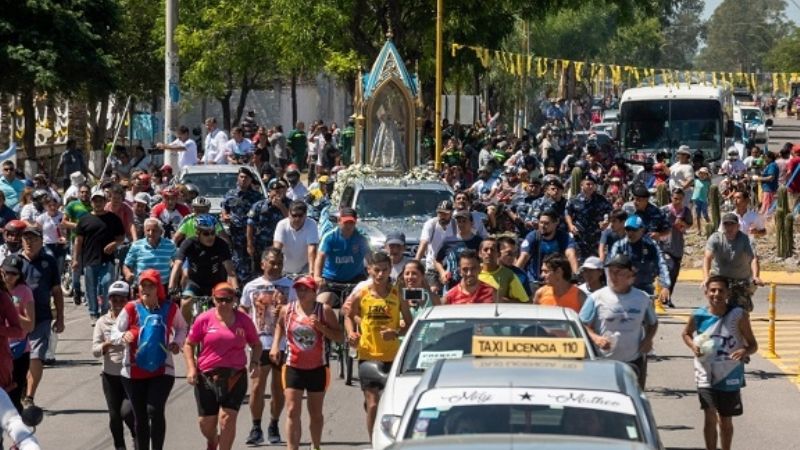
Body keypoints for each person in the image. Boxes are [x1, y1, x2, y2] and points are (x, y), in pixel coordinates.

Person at [112, 269, 187, 450]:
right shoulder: (130, 308)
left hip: (162, 369)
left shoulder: (170, 308)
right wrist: (124, 336)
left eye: (150, 285)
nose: (146, 289)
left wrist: (177, 342)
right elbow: (114, 332)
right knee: (140, 416)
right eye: (143, 285)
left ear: (158, 288)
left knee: (154, 410)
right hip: (133, 371)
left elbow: (182, 328)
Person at [681, 276, 758, 450]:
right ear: (706, 292)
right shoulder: (698, 315)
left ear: (728, 293)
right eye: (713, 290)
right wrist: (693, 345)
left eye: (721, 290)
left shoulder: (738, 315)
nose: (717, 294)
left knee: (725, 419)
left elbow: (753, 345)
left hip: (729, 373)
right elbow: (685, 333)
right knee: (709, 415)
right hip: (704, 372)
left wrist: (745, 351)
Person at [184, 282, 261, 450]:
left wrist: (255, 363)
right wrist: (191, 368)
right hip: (207, 375)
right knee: (206, 423)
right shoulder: (204, 319)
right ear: (213, 299)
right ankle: (212, 441)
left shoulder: (243, 320)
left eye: (228, 299)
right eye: (220, 300)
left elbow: (256, 344)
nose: (224, 303)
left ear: (234, 299)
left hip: (235, 375)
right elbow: (189, 344)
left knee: (227, 419)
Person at [345, 252, 412, 440]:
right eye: (376, 270)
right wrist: (351, 333)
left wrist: (396, 333)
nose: (381, 275)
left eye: (384, 270)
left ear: (390, 269)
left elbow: (409, 323)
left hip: (392, 356)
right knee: (373, 403)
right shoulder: (362, 294)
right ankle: (374, 442)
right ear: (369, 270)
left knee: (387, 402)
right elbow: (349, 316)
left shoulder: (397, 295)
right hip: (368, 354)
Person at [271, 276, 341, 450]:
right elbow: (280, 325)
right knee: (293, 410)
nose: (301, 293)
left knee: (315, 413)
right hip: (293, 366)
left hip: (317, 367)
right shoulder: (287, 309)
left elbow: (340, 337)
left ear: (314, 292)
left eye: (306, 290)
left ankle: (315, 446)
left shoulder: (323, 310)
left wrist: (321, 328)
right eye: (299, 289)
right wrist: (275, 346)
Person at [239, 248, 295, 445]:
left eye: (279, 262)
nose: (276, 266)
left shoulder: (291, 286)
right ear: (263, 264)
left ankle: (273, 424)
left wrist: (286, 309)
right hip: (259, 343)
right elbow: (243, 310)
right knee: (256, 387)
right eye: (272, 262)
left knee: (278, 388)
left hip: (282, 343)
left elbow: (298, 312)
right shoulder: (251, 286)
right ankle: (256, 427)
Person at [580, 255, 658, 388]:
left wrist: (648, 340)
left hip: (633, 360)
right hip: (603, 361)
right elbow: (581, 323)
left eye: (618, 273)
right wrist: (595, 338)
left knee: (632, 400)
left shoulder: (642, 298)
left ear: (630, 275)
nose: (613, 277)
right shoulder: (597, 297)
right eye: (610, 272)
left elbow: (653, 323)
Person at [20, 224, 64, 407]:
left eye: (34, 239)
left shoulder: (49, 262)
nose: (30, 242)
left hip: (42, 317)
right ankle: (20, 390)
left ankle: (29, 396)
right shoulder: (13, 262)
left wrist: (60, 317)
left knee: (36, 356)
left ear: (41, 241)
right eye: (26, 239)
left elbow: (57, 291)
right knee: (19, 359)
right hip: (17, 320)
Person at [170, 214, 238, 324]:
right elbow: (177, 265)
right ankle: (185, 331)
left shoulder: (221, 244)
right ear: (198, 233)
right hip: (195, 282)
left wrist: (236, 289)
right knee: (185, 302)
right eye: (206, 234)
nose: (210, 237)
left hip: (217, 283)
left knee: (229, 305)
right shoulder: (189, 243)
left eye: (212, 233)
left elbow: (231, 271)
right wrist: (171, 287)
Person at [91, 280, 136, 450]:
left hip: (131, 375)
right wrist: (107, 344)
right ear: (108, 300)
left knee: (128, 412)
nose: (117, 303)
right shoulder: (102, 322)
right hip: (110, 376)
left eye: (121, 299)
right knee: (115, 416)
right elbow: (95, 350)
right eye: (114, 299)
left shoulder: (136, 319)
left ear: (129, 300)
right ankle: (120, 446)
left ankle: (137, 435)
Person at [73, 188, 125, 324]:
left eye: (100, 200)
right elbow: (78, 241)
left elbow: (121, 237)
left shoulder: (113, 218)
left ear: (105, 201)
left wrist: (114, 244)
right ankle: (93, 313)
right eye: (95, 200)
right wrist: (75, 259)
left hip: (108, 260)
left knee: (107, 285)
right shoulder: (84, 219)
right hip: (89, 260)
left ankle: (105, 311)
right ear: (91, 202)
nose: (98, 203)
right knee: (91, 288)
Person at [704, 213, 762, 312]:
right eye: (726, 224)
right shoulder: (716, 238)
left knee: (741, 310)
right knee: (717, 301)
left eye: (732, 224)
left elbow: (753, 259)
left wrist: (756, 276)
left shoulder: (745, 239)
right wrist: (706, 277)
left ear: (738, 226)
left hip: (739, 279)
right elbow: (707, 257)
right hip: (720, 277)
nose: (729, 227)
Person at [607, 215, 671, 304]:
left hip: (645, 290)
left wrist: (665, 286)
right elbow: (611, 269)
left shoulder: (651, 245)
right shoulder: (619, 246)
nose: (630, 233)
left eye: (634, 230)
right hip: (624, 289)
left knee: (649, 317)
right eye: (627, 229)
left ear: (642, 230)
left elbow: (661, 264)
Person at [315, 207, 369, 308]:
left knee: (364, 303)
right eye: (345, 222)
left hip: (355, 280)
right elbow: (320, 257)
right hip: (331, 280)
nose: (348, 226)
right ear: (339, 221)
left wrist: (372, 277)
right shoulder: (330, 237)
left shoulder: (361, 238)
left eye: (351, 223)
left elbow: (370, 259)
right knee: (321, 304)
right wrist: (317, 277)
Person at [515, 209, 578, 291]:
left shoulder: (564, 237)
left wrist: (575, 277)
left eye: (547, 223)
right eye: (541, 222)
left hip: (557, 282)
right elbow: (524, 256)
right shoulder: (533, 236)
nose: (542, 226)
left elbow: (571, 255)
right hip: (535, 282)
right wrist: (512, 275)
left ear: (556, 223)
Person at [221, 168, 264, 283]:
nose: (244, 180)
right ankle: (237, 287)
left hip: (253, 236)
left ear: (251, 180)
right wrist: (225, 216)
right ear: (238, 178)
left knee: (253, 263)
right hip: (236, 235)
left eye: (246, 178)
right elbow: (225, 209)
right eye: (241, 177)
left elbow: (262, 214)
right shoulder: (230, 194)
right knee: (237, 262)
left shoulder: (257, 197)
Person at [3, 255, 34, 412]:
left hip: (18, 351)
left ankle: (20, 434)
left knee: (13, 400)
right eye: (6, 272)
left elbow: (30, 324)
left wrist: (13, 310)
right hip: (2, 351)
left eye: (13, 274)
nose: (9, 277)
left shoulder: (24, 291)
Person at [247, 181, 290, 280]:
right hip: (261, 246)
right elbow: (250, 224)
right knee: (259, 272)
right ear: (269, 192)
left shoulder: (290, 204)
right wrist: (250, 244)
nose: (277, 193)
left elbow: (293, 221)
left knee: (279, 272)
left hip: (282, 247)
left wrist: (282, 207)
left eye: (280, 190)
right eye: (274, 191)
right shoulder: (259, 205)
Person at [565, 173, 612, 259]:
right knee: (580, 261)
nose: (590, 186)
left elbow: (610, 212)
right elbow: (568, 213)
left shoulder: (601, 200)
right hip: (579, 237)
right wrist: (570, 225)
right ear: (582, 185)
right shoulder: (574, 200)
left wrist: (606, 221)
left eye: (592, 184)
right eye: (588, 184)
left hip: (596, 237)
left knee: (596, 262)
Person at [415, 200, 457, 289]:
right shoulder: (431, 224)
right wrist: (415, 263)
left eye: (445, 214)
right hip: (432, 266)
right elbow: (424, 243)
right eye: (440, 213)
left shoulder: (455, 225)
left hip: (450, 266)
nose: (442, 216)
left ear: (451, 213)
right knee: (433, 291)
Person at [662, 188, 692, 306]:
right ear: (671, 198)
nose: (677, 201)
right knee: (667, 269)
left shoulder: (685, 212)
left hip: (677, 245)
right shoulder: (664, 210)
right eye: (675, 198)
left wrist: (682, 223)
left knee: (674, 273)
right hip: (664, 245)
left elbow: (689, 225)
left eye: (680, 199)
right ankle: (662, 297)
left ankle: (668, 297)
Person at [123, 219, 176, 286]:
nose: (151, 233)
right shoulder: (137, 245)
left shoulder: (170, 245)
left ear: (161, 232)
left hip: (163, 286)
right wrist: (128, 274)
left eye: (154, 231)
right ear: (144, 232)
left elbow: (177, 262)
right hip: (142, 286)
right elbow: (126, 265)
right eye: (148, 230)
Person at [272, 201, 318, 275]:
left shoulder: (312, 224)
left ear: (306, 215)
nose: (297, 219)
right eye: (294, 215)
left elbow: (312, 249)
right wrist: (274, 268)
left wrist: (312, 271)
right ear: (289, 214)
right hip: (283, 269)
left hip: (304, 269)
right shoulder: (282, 225)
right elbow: (277, 248)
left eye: (300, 215)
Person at [478, 238, 528, 303]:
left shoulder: (509, 275)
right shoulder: (472, 272)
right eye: (485, 250)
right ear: (479, 253)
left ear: (498, 254)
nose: (489, 252)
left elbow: (524, 302)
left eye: (492, 250)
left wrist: (504, 301)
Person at [752, 150, 779, 215]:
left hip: (769, 189)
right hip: (767, 189)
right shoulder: (770, 165)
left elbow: (771, 178)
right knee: (765, 207)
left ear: (770, 158)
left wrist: (758, 178)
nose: (764, 159)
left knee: (767, 209)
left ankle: (766, 222)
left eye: (765, 157)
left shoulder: (772, 166)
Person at [693, 167, 711, 234]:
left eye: (704, 174)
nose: (702, 175)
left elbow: (709, 191)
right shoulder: (696, 181)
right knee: (697, 215)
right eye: (701, 173)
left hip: (704, 200)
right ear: (699, 174)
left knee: (705, 214)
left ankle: (710, 226)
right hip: (697, 200)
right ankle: (699, 230)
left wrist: (709, 198)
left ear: (706, 175)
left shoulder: (707, 182)